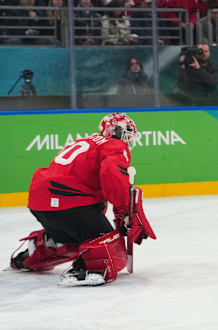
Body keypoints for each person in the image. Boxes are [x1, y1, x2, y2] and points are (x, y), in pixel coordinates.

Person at [8, 113, 155, 286]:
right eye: (127, 135)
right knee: (111, 250)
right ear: (116, 131)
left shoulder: (86, 141)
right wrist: (125, 210)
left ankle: (37, 251)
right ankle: (86, 269)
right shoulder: (115, 145)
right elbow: (112, 174)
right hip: (67, 200)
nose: (128, 141)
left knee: (80, 235)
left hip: (40, 201)